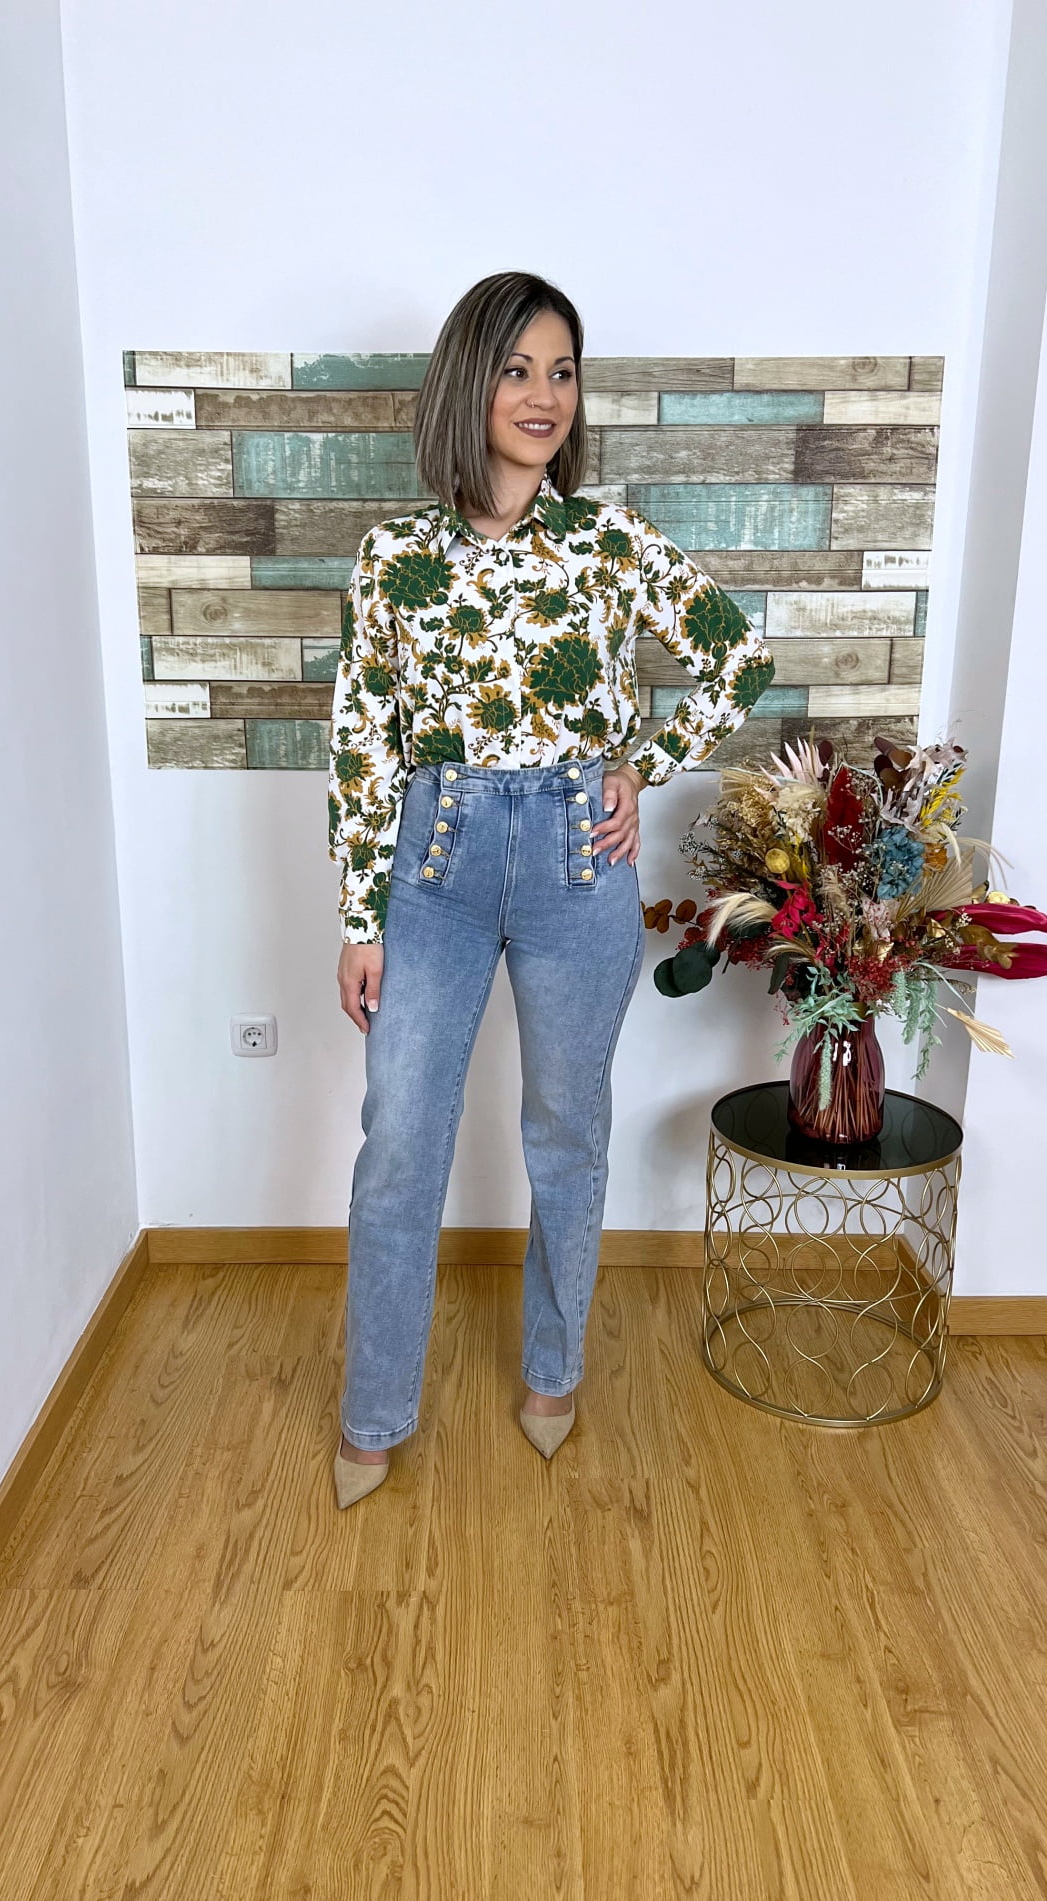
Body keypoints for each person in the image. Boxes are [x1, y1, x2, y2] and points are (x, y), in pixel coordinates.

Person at [327, 270, 775, 1509]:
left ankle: (553, 1369)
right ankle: (373, 1413)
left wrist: (650, 761)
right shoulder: (394, 557)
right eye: (518, 369)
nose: (543, 395)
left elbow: (738, 655)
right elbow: (362, 740)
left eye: (562, 371)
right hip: (435, 861)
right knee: (399, 1141)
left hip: (582, 861)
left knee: (568, 1130)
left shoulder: (607, 542)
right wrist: (360, 918)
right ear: (469, 384)